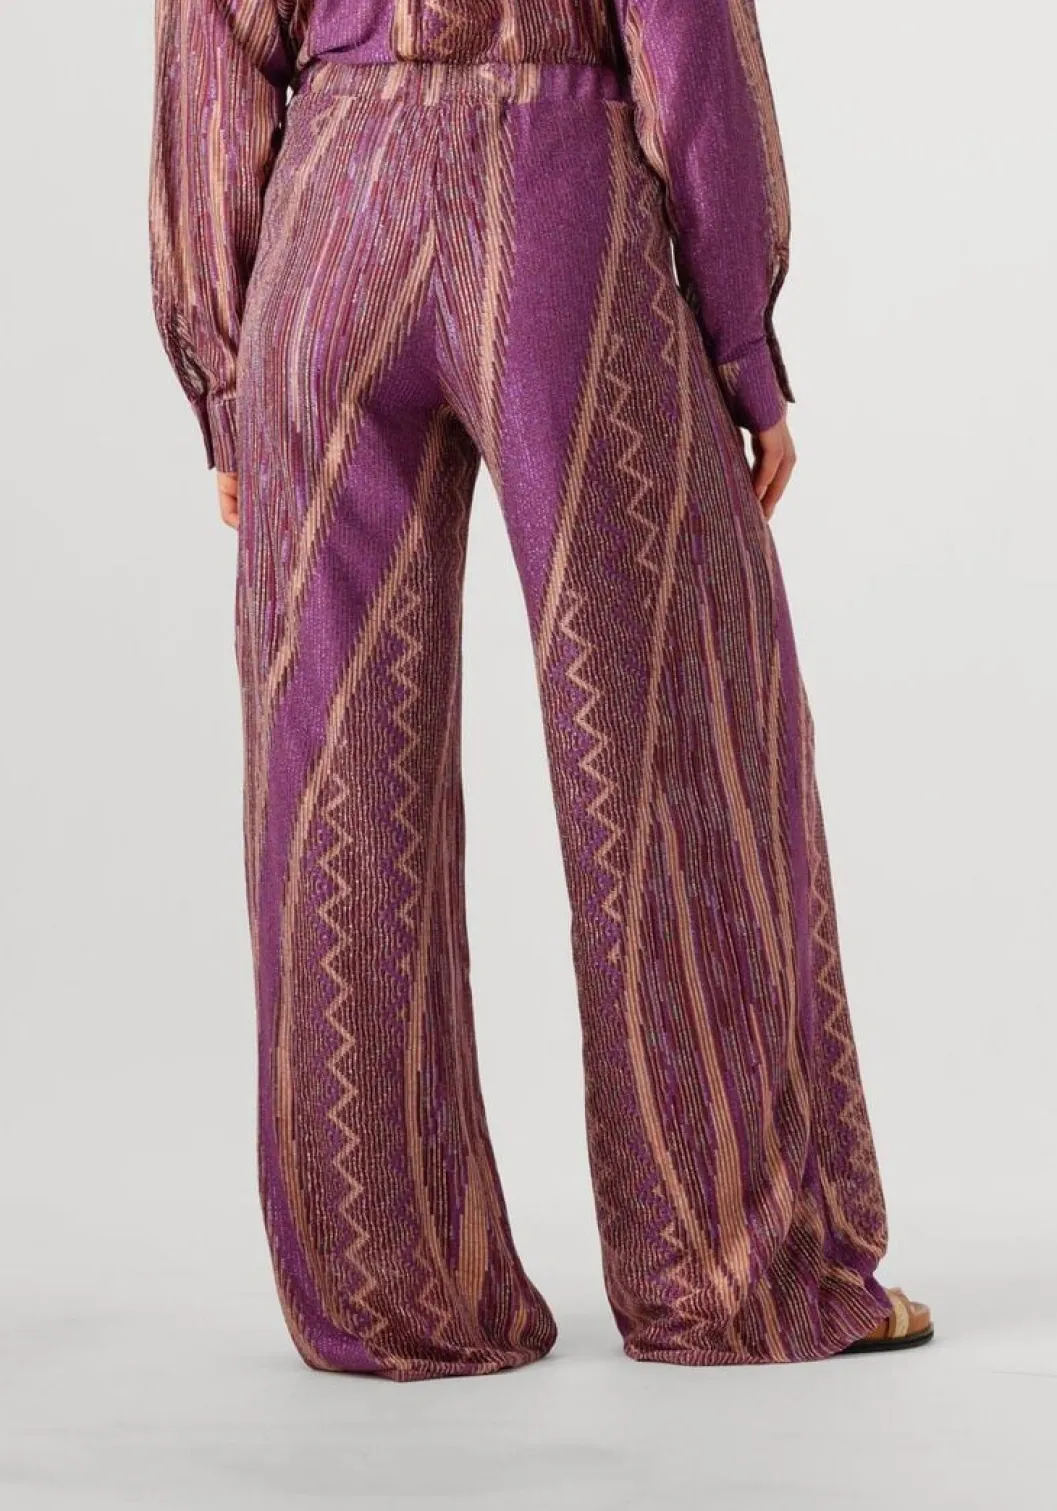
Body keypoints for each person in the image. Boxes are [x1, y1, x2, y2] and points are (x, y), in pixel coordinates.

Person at [149, 0, 932, 1381]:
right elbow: (684, 38)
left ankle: (389, 1293)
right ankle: (726, 1272)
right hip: (556, 197)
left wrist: (223, 368)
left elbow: (209, 48)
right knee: (670, 716)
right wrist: (742, 344)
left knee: (332, 757)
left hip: (328, 221)